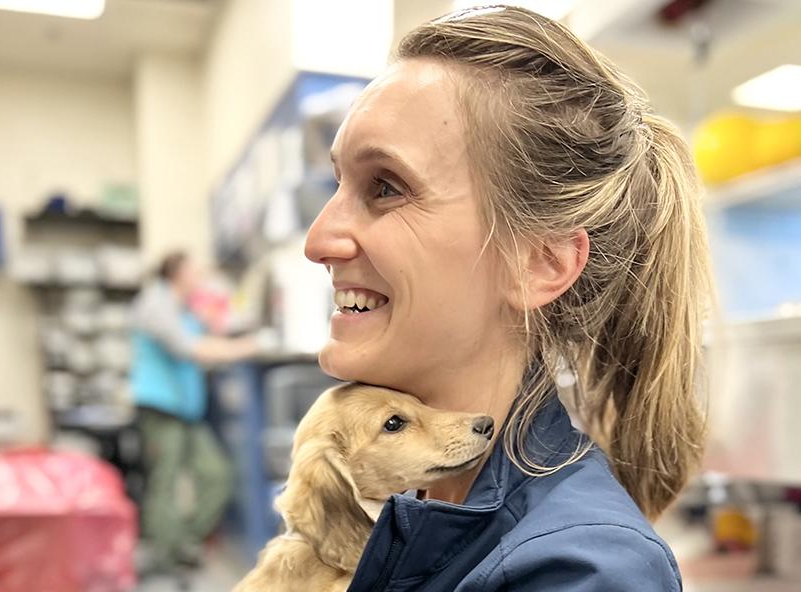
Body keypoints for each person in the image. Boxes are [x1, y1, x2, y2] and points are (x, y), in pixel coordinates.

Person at [303, 5, 710, 591]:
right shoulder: (413, 504)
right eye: (338, 182)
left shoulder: (581, 572)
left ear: (539, 263)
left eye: (386, 187)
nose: (318, 241)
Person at [129, 251, 257, 574]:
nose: (200, 276)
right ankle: (165, 559)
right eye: (195, 270)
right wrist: (243, 348)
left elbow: (205, 348)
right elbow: (185, 349)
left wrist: (216, 328)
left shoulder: (185, 308)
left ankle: (181, 542)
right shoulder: (155, 303)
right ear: (177, 273)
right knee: (166, 482)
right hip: (160, 408)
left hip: (186, 411)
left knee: (216, 474)